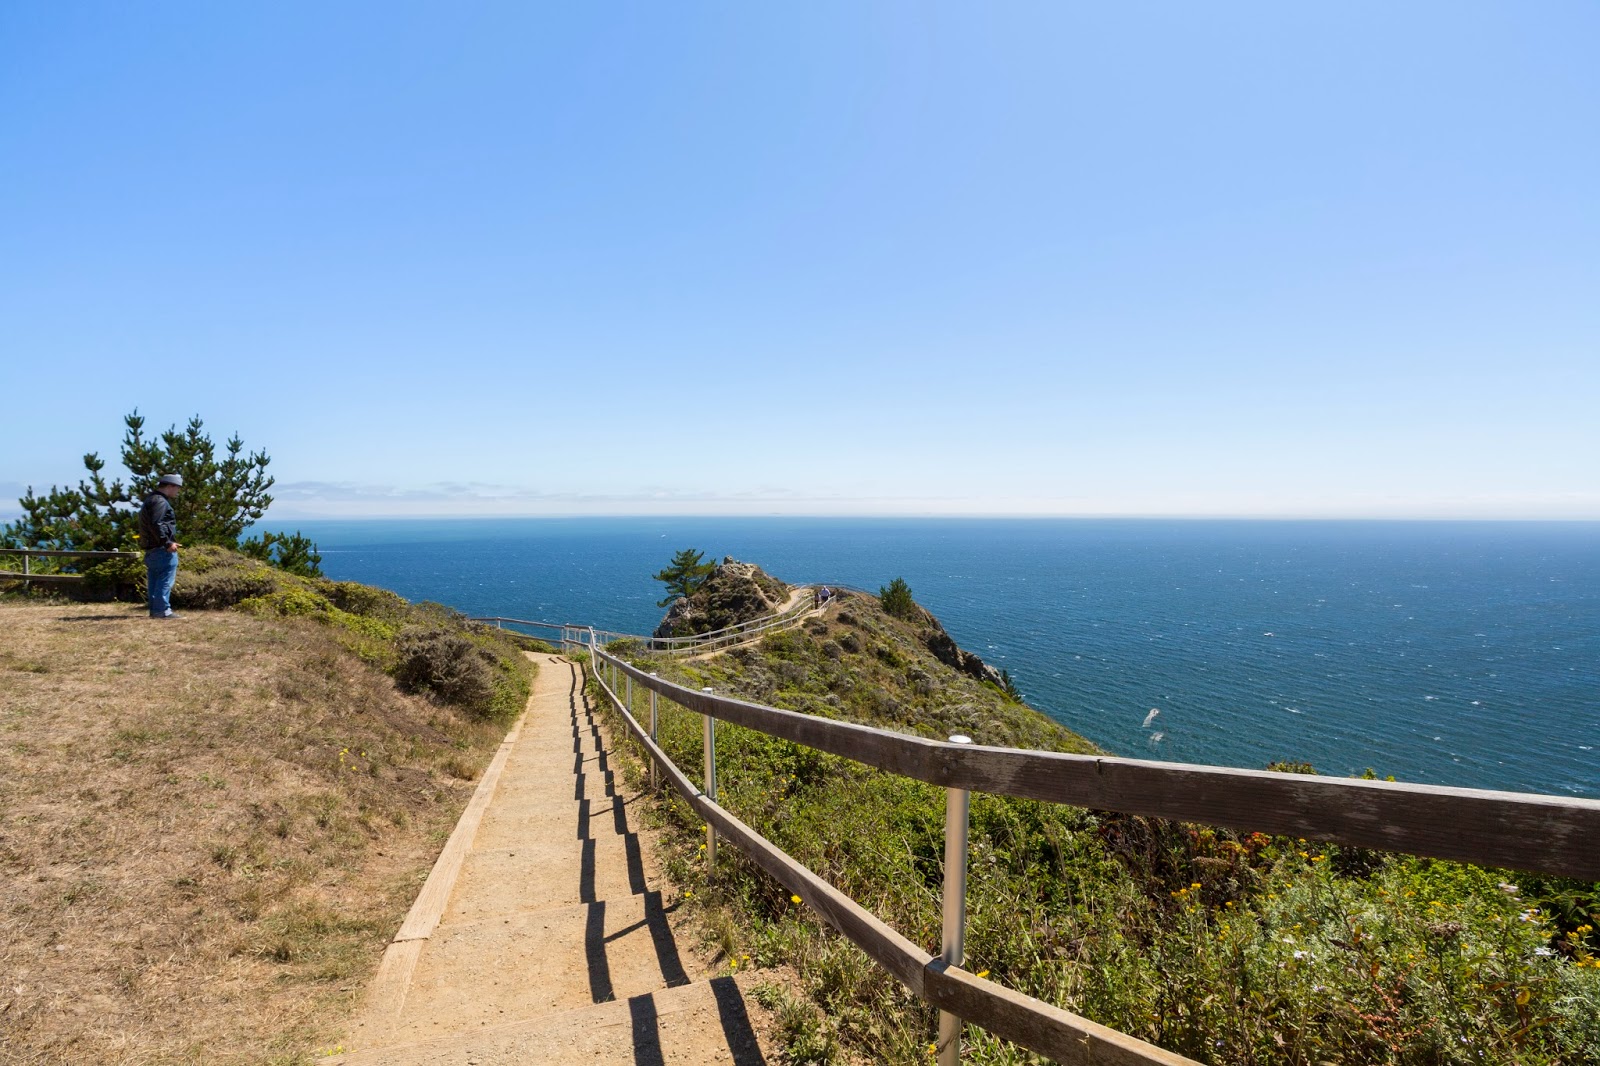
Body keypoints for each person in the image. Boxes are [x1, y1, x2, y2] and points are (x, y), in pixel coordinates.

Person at [138, 474, 183, 618]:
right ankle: (162, 610)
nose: (178, 492)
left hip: (151, 548)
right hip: (161, 548)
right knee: (165, 579)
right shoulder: (160, 502)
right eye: (177, 488)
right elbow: (157, 523)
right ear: (170, 486)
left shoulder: (151, 499)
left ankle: (155, 609)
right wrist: (168, 543)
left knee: (155, 580)